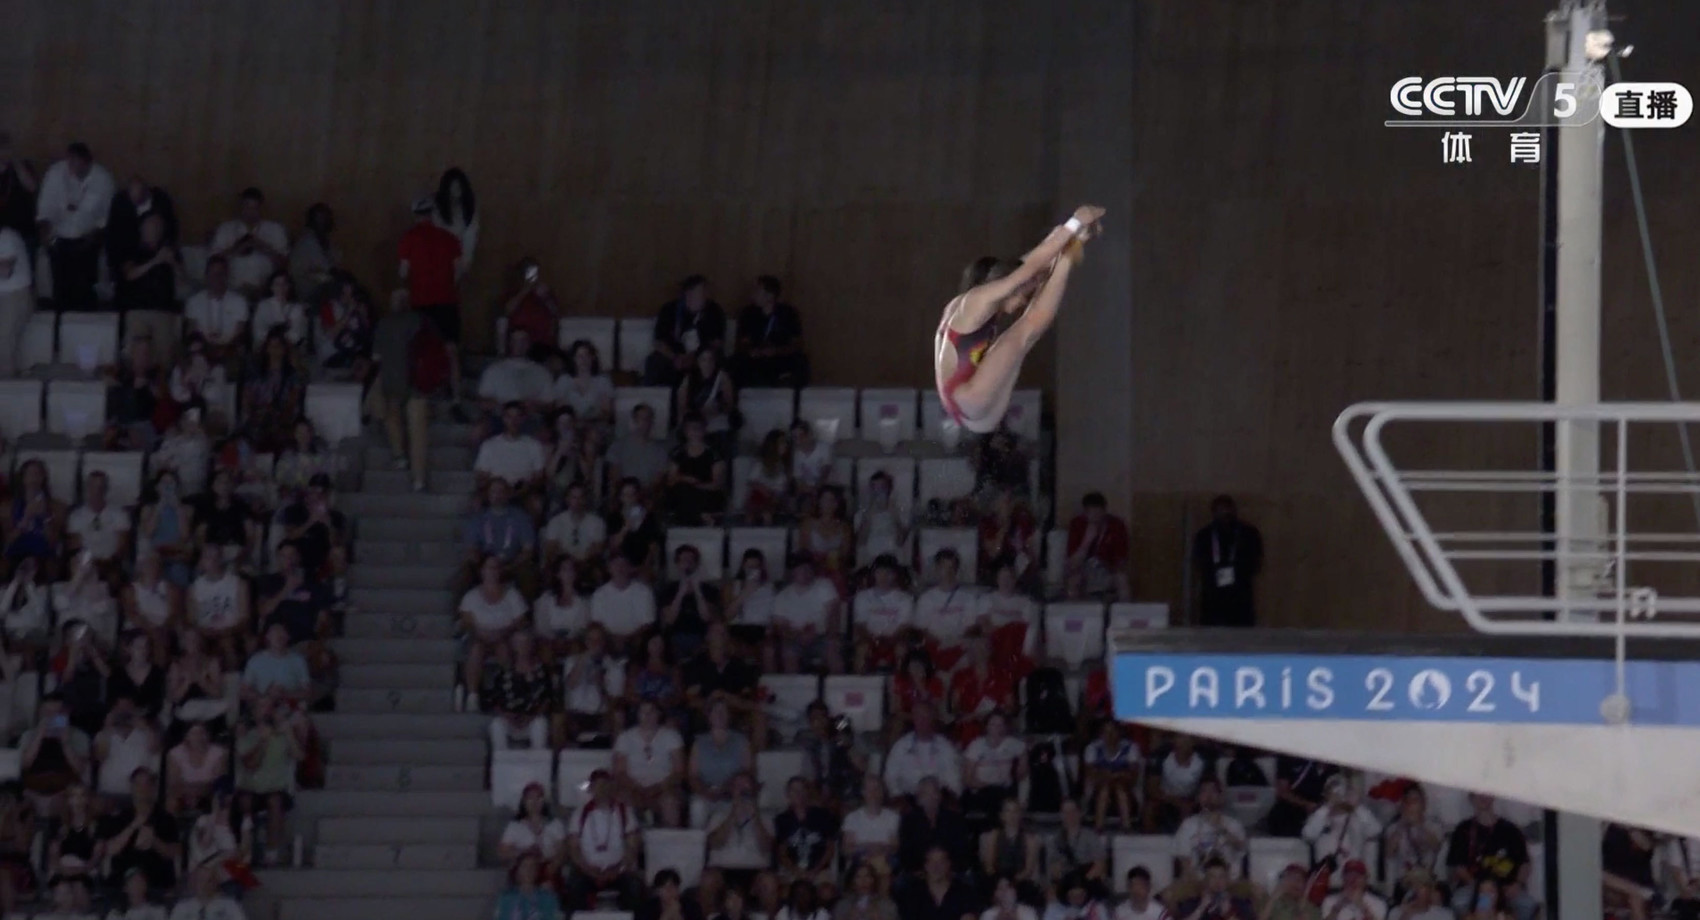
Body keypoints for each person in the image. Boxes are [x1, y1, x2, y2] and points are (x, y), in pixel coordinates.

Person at [934, 206, 1103, 433]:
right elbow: (1027, 270)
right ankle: (1067, 256)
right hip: (970, 398)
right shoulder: (980, 299)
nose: (1022, 302)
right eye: (1022, 296)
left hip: (968, 409)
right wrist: (1075, 222)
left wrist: (1069, 237)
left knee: (1029, 319)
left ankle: (1068, 254)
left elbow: (1031, 267)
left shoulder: (967, 305)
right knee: (1026, 329)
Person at [36, 142, 115, 312]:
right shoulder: (56, 174)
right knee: (60, 286)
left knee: (84, 286)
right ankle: (60, 322)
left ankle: (84, 319)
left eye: (77, 163)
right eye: (70, 162)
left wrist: (95, 236)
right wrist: (45, 232)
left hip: (88, 239)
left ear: (88, 162)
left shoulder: (103, 180)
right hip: (58, 237)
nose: (72, 168)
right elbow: (45, 208)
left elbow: (107, 216)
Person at [398, 195, 464, 397]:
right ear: (432, 213)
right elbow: (459, 271)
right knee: (451, 351)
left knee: (418, 349)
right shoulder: (449, 238)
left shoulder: (409, 238)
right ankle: (456, 397)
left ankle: (417, 394)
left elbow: (403, 272)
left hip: (421, 302)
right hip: (446, 301)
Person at [564, 769, 643, 910]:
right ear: (591, 789)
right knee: (574, 888)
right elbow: (574, 849)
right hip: (588, 871)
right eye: (597, 785)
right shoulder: (580, 814)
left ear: (611, 786)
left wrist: (619, 869)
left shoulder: (624, 811)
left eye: (605, 785)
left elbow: (633, 847)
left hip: (618, 870)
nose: (602, 789)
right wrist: (588, 870)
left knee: (634, 887)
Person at [1191, 496, 1263, 628]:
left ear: (1234, 510)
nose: (1225, 514)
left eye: (1228, 510)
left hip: (1240, 595)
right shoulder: (1204, 535)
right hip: (1212, 595)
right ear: (1213, 512)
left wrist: (1237, 571)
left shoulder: (1249, 534)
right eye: (1221, 511)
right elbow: (1199, 562)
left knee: (1242, 637)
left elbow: (1256, 562)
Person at [612, 699, 685, 828]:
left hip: (664, 789)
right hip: (633, 789)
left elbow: (678, 771)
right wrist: (637, 788)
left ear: (659, 714)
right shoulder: (625, 737)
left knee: (670, 802)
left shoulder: (672, 736)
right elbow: (620, 772)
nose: (647, 716)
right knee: (622, 800)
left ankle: (669, 842)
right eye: (643, 712)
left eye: (651, 711)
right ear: (637, 715)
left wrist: (659, 788)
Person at [646, 275, 726, 388]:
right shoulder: (669, 310)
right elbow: (659, 342)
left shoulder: (714, 311)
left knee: (719, 362)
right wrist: (675, 358)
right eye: (695, 293)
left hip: (702, 358)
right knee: (653, 362)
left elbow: (716, 343)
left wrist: (694, 358)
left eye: (703, 293)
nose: (703, 296)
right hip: (673, 357)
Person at [209, 187, 288, 297]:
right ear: (241, 207)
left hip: (266, 292)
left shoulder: (275, 230)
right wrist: (236, 249)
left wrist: (264, 247)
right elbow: (213, 266)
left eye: (254, 208)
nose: (250, 213)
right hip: (231, 292)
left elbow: (284, 265)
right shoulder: (225, 229)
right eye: (247, 207)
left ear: (261, 208)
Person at [733, 275, 808, 387]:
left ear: (770, 296)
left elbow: (796, 343)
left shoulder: (788, 313)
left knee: (801, 362)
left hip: (780, 357)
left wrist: (777, 351)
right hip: (755, 358)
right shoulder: (748, 313)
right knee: (737, 363)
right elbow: (742, 341)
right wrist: (751, 351)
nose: (754, 294)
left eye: (758, 290)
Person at [775, 777, 838, 887]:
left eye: (801, 789)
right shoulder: (782, 820)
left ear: (807, 792)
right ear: (788, 794)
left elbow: (830, 849)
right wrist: (796, 871)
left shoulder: (823, 815)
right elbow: (782, 853)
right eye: (794, 790)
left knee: (826, 890)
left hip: (819, 870)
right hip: (792, 870)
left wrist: (815, 870)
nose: (798, 794)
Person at [900, 846, 978, 920]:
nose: (936, 867)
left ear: (948, 864)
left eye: (941, 862)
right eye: (931, 862)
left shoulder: (964, 892)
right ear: (925, 865)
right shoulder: (913, 893)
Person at [0, 222, 32, 376]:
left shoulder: (6, 237)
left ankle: (6, 388)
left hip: (14, 295)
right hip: (5, 295)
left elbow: (5, 271)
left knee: (4, 343)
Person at [496, 852, 564, 920]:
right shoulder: (507, 897)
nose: (528, 870)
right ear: (518, 871)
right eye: (525, 866)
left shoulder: (548, 898)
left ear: (537, 871)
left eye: (532, 866)